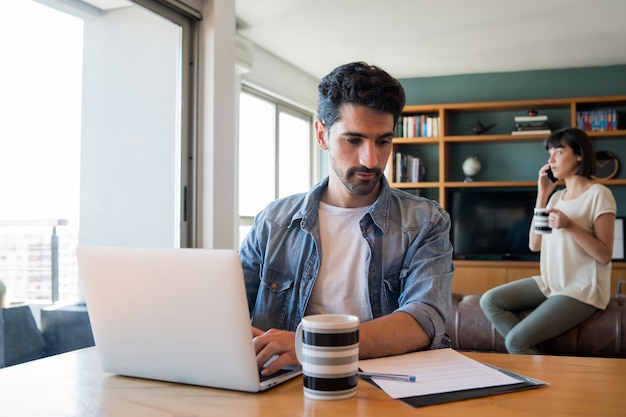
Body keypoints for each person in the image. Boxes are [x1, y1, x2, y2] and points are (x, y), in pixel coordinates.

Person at [239, 61, 454, 376]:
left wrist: (312, 345)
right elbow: (226, 311)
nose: (371, 159)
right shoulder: (273, 221)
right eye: (353, 140)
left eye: (383, 141)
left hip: (388, 387)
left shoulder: (426, 221)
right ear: (322, 135)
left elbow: (423, 320)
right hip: (282, 384)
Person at [480, 127, 617, 354]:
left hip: (582, 289)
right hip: (551, 282)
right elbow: (535, 244)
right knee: (490, 301)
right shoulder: (556, 197)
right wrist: (542, 195)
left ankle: (537, 367)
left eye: (559, 152)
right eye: (550, 153)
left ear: (580, 155)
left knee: (515, 341)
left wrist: (570, 226)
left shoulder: (599, 194)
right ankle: (534, 352)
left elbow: (604, 255)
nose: (551, 159)